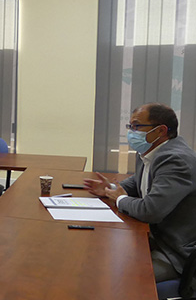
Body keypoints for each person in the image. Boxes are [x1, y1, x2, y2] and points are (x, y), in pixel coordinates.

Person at [83, 103, 196, 283]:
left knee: (119, 279)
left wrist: (119, 198)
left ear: (161, 131)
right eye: (130, 126)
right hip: (151, 237)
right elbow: (138, 182)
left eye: (136, 126)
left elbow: (150, 210)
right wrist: (109, 189)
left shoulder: (175, 160)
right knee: (97, 257)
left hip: (173, 252)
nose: (131, 132)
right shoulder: (151, 150)